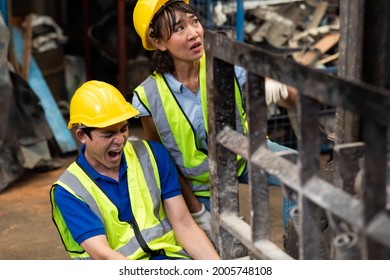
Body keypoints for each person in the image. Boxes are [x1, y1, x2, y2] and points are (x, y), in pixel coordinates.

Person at [131, 0, 298, 241]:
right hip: (200, 185)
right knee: (226, 248)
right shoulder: (148, 96)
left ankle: (296, 249)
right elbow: (163, 162)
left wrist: (279, 87)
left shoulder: (224, 65)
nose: (194, 34)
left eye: (195, 22)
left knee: (300, 171)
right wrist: (196, 211)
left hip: (244, 154)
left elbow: (294, 101)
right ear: (159, 42)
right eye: (179, 29)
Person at [50, 80, 220, 260]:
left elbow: (185, 226)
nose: (120, 140)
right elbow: (103, 256)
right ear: (82, 135)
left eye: (123, 129)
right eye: (108, 134)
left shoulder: (153, 155)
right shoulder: (69, 190)